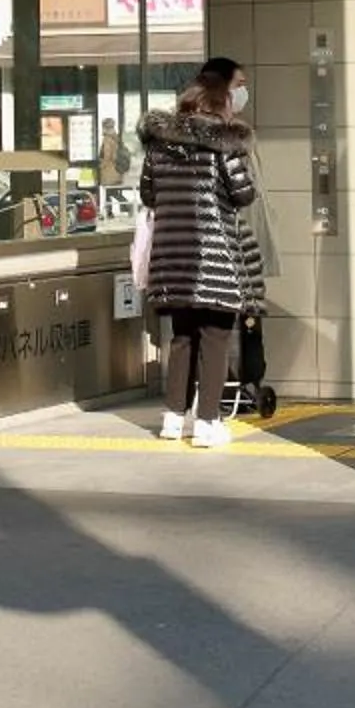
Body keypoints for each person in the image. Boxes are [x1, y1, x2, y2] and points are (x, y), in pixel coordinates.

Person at [138, 61, 259, 450]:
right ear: (222, 94)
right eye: (238, 87)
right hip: (213, 255)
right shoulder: (222, 141)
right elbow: (243, 194)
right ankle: (207, 421)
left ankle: (173, 419)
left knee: (183, 337)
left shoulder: (159, 142)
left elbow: (148, 194)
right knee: (216, 336)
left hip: (171, 257)